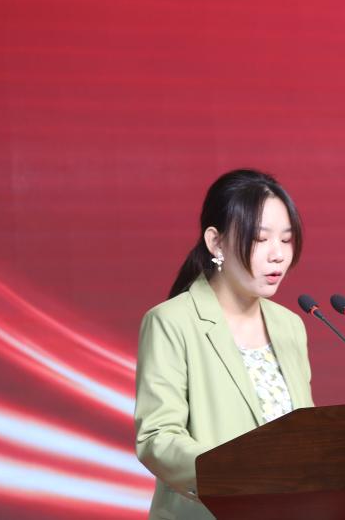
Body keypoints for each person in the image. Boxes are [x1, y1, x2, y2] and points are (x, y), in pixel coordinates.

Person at [134, 169, 314, 520]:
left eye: (286, 240)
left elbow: (304, 432)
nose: (278, 254)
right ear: (216, 242)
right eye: (260, 239)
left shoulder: (290, 326)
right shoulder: (170, 322)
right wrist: (236, 475)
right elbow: (157, 438)